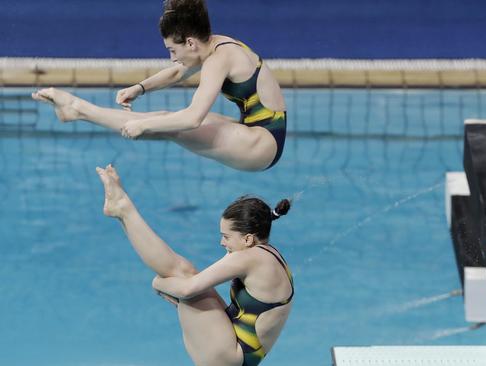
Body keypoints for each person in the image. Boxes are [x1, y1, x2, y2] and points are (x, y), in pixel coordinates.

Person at [33, 0, 286, 171]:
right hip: (258, 131)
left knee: (171, 125)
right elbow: (178, 72)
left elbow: (193, 118)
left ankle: (78, 110)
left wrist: (142, 125)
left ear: (190, 43)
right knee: (167, 119)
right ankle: (76, 110)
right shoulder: (217, 43)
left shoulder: (218, 60)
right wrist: (139, 88)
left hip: (262, 145)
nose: (171, 57)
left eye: (172, 50)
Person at [96, 164, 293, 366]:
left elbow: (187, 288)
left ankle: (124, 209)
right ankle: (122, 210)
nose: (222, 243)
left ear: (248, 239)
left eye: (226, 237)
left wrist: (158, 283)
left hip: (230, 357)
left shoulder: (250, 258)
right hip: (238, 349)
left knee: (180, 275)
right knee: (185, 271)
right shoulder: (267, 254)